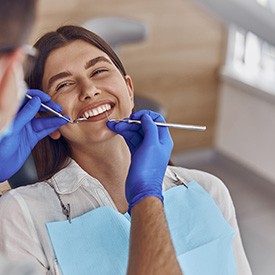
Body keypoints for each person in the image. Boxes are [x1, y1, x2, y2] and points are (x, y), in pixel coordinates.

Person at [0, 25, 252, 274]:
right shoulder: (20, 216)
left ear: (129, 91)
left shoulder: (209, 190)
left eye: (99, 71)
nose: (89, 90)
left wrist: (147, 193)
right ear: (48, 119)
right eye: (64, 85)